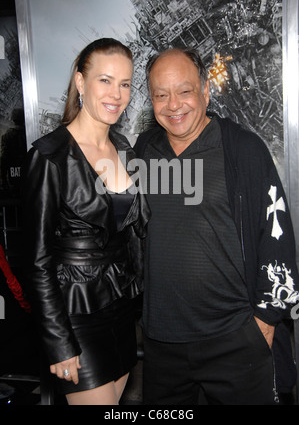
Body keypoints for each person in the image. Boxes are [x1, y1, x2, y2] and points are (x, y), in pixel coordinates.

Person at [134, 47, 299, 405]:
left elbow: (276, 234)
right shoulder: (144, 150)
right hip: (162, 344)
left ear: (205, 91)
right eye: (161, 95)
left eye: (185, 91)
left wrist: (266, 321)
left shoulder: (242, 149)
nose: (173, 104)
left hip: (235, 338)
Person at [22, 38, 150, 405]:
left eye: (125, 84)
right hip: (74, 314)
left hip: (121, 309)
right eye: (105, 81)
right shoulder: (48, 157)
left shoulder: (124, 148)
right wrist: (58, 342)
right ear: (80, 83)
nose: (117, 94)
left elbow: (131, 234)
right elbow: (37, 263)